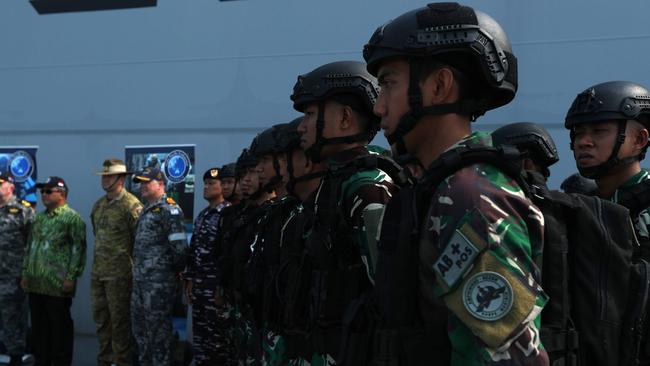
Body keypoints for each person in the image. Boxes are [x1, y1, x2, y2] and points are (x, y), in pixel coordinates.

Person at [364, 3, 547, 364]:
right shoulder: (441, 188)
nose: (378, 107)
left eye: (388, 84)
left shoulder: (471, 198)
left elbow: (511, 357)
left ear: (439, 86)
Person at [291, 60, 399, 363]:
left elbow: (389, 291)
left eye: (310, 114)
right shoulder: (336, 183)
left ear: (345, 119)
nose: (301, 126)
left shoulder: (366, 187)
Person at [565, 81, 650, 259]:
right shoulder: (579, 207)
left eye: (599, 131)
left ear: (639, 140)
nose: (583, 142)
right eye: (579, 132)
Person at [22, 176, 86, 366]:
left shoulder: (72, 218)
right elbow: (30, 246)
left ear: (62, 194)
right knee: (39, 332)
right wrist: (25, 273)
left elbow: (78, 250)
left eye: (48, 191)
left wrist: (71, 277)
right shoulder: (39, 218)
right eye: (42, 191)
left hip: (57, 286)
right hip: (36, 285)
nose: (43, 195)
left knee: (60, 331)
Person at [130, 167, 188, 366]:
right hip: (140, 284)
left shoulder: (169, 209)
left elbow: (180, 249)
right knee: (141, 334)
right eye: (141, 182)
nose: (143, 186)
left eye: (148, 182)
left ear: (161, 184)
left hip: (158, 286)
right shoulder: (146, 209)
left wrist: (167, 276)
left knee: (158, 335)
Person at [90, 159, 143, 366]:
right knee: (101, 321)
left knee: (120, 324)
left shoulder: (131, 205)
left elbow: (139, 242)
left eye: (109, 176)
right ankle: (104, 361)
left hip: (120, 276)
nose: (105, 180)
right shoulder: (99, 205)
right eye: (103, 176)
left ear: (121, 179)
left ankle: (123, 363)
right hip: (99, 274)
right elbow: (97, 235)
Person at [182, 167, 231, 366]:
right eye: (205, 184)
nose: (206, 187)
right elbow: (194, 251)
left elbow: (226, 257)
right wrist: (190, 280)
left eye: (212, 184)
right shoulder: (202, 215)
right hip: (200, 289)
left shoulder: (227, 214)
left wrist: (221, 288)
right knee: (200, 339)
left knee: (218, 342)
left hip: (215, 290)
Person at [0, 172, 33, 366]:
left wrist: (26, 273)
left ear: (10, 186)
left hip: (12, 277)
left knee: (13, 320)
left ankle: (16, 358)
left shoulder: (23, 210)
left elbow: (32, 244)